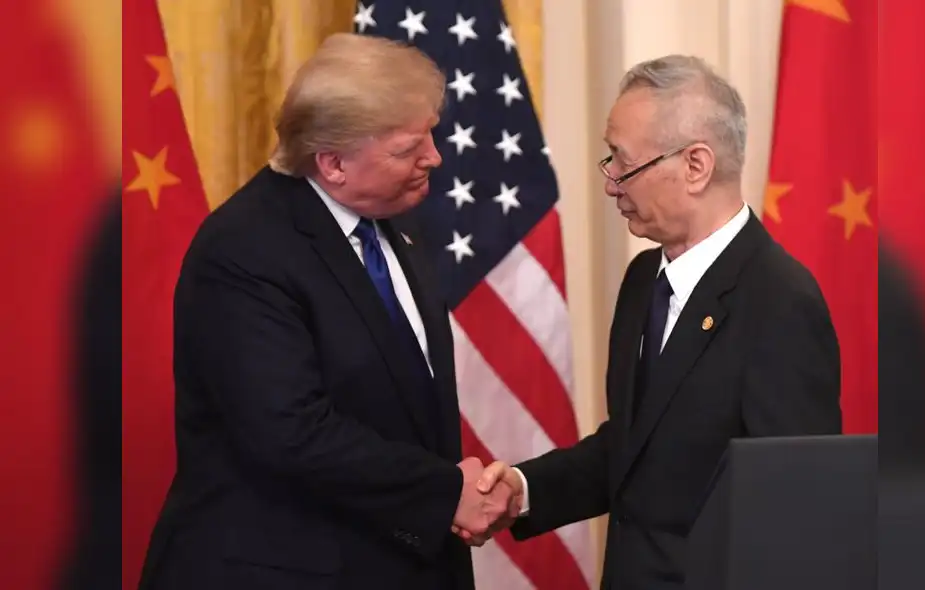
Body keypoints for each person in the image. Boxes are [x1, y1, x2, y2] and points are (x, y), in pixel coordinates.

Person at [137, 33, 517, 590]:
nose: (434, 157)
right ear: (334, 163)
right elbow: (290, 433)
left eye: (431, 135)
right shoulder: (245, 248)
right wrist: (443, 493)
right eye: (408, 148)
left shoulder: (392, 222)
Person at [469, 55, 843, 589]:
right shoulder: (644, 279)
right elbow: (635, 447)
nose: (611, 184)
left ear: (696, 166)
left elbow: (796, 508)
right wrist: (523, 489)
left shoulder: (780, 302)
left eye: (624, 163)